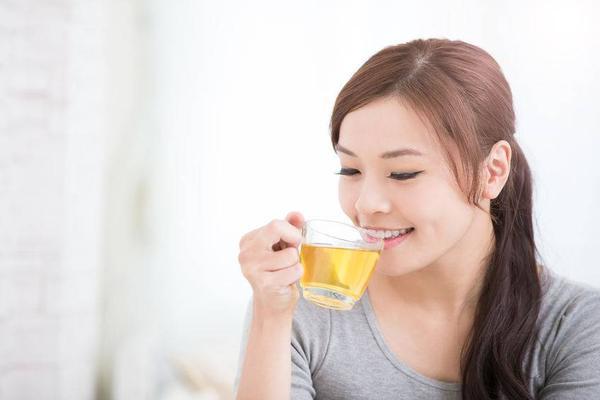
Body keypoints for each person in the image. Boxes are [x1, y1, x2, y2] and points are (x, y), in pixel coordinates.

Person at [233, 38, 600, 400]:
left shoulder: (578, 327)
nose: (366, 204)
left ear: (492, 171)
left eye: (403, 173)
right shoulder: (301, 304)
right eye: (350, 170)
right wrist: (270, 316)